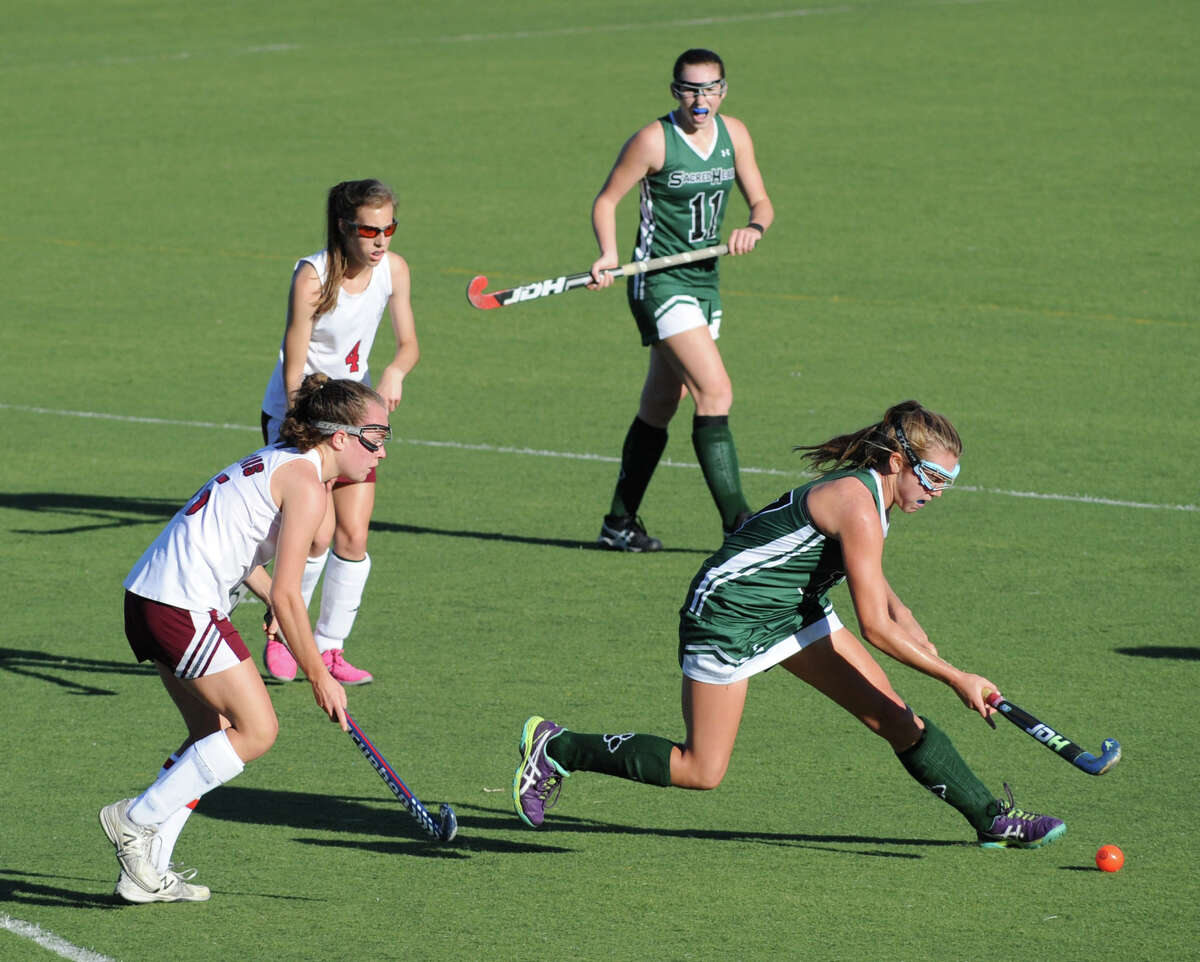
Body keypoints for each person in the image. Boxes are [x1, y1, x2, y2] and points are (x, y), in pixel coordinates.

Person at [513, 401, 1066, 849]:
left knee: (895, 716)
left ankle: (992, 818)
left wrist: (913, 624)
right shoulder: (858, 504)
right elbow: (873, 625)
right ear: (897, 461)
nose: (938, 492)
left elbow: (876, 588)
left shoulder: (875, 498)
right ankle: (558, 749)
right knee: (701, 769)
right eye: (934, 478)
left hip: (793, 610)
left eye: (949, 481)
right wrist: (955, 676)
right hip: (729, 614)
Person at [100, 375, 390, 903]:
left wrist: (270, 600)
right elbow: (287, 592)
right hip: (180, 604)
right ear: (340, 437)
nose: (382, 452)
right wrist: (319, 674)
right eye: (375, 436)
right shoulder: (304, 482)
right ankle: (133, 820)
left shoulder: (284, 460)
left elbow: (241, 554)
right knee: (257, 731)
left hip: (150, 597)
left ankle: (146, 872)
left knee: (209, 734)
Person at [588, 48, 774, 552]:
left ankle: (618, 524)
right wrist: (607, 253)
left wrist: (752, 227)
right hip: (659, 283)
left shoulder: (734, 135)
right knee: (716, 391)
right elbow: (607, 200)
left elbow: (762, 201)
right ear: (676, 91)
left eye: (710, 88)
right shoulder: (654, 140)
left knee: (661, 402)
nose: (701, 99)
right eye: (691, 89)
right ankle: (740, 525)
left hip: (704, 283)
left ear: (724, 89)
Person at [257, 178, 419, 684]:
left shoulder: (393, 270)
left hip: (356, 419)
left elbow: (409, 344)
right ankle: (284, 631)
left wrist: (394, 371)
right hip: (305, 413)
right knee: (316, 535)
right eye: (370, 230)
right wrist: (302, 421)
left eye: (389, 227)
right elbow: (293, 358)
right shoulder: (312, 276)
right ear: (345, 227)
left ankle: (329, 647)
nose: (381, 240)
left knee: (353, 534)